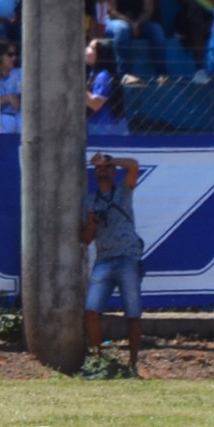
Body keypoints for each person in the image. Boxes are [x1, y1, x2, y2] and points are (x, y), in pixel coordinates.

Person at [81, 154, 144, 377]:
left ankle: (133, 363)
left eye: (107, 168)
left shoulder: (123, 191)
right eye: (99, 168)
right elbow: (86, 238)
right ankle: (98, 359)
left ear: (114, 171)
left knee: (133, 312)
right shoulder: (90, 201)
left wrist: (109, 158)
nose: (102, 170)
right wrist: (91, 221)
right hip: (104, 259)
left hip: (128, 256)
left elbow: (134, 166)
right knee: (91, 310)